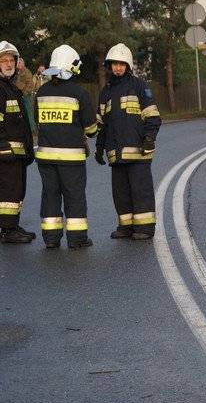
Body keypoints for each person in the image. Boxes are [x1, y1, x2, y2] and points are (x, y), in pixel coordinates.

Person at [95, 43, 160, 240]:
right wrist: (99, 147)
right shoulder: (105, 92)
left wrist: (149, 138)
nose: (118, 68)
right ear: (110, 66)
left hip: (139, 152)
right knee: (121, 193)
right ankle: (126, 227)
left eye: (122, 64)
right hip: (116, 153)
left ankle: (145, 228)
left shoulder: (139, 86)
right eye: (114, 64)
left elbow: (153, 116)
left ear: (128, 66)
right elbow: (102, 124)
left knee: (141, 191)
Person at [35, 44, 97, 249]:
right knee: (74, 196)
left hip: (45, 156)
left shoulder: (41, 92)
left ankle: (51, 239)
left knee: (50, 195)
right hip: (71, 159)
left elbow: (37, 120)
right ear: (71, 66)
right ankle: (77, 239)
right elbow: (90, 129)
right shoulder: (79, 93)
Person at [0, 41, 35, 243]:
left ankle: (12, 225)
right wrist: (2, 145)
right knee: (8, 191)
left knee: (17, 190)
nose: (8, 63)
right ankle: (7, 230)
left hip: (17, 152)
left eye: (11, 59)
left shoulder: (11, 86)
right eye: (3, 60)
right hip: (6, 152)